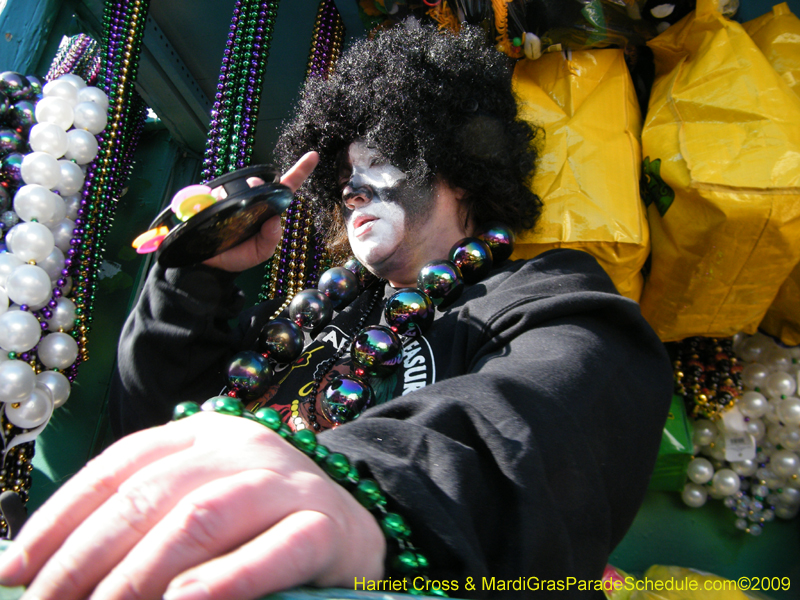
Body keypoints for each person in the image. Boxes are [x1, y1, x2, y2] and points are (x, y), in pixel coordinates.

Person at [0, 21, 672, 600]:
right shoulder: (314, 311)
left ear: (460, 171)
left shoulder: (546, 296)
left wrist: (364, 490)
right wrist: (193, 276)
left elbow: (555, 416)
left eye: (378, 163)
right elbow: (160, 426)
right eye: (343, 177)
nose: (351, 188)